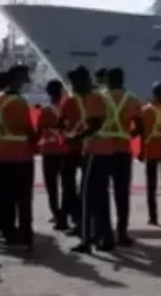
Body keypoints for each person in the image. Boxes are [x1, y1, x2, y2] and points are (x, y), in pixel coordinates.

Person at [0, 66, 38, 250]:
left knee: (5, 196)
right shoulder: (19, 102)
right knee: (24, 199)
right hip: (21, 155)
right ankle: (25, 237)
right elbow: (27, 128)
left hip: (1, 155)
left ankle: (9, 232)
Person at [61, 66, 108, 253]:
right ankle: (103, 236)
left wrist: (75, 138)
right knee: (98, 197)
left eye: (75, 83)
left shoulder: (95, 97)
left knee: (87, 197)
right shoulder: (91, 98)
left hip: (95, 150)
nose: (73, 87)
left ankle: (86, 240)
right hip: (96, 150)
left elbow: (95, 125)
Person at [100, 67, 142, 246]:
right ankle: (122, 233)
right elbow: (140, 126)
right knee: (122, 193)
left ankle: (105, 233)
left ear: (107, 80)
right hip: (123, 152)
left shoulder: (99, 98)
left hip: (102, 150)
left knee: (101, 193)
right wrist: (127, 135)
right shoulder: (132, 99)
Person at [38, 79, 72, 231]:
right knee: (66, 186)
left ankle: (57, 214)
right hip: (65, 151)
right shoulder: (67, 109)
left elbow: (39, 131)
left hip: (49, 151)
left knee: (51, 187)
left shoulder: (44, 111)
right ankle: (64, 214)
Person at [141, 82, 161, 225]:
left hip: (151, 151)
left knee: (151, 187)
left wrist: (140, 152)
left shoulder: (146, 110)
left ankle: (153, 217)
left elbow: (142, 133)